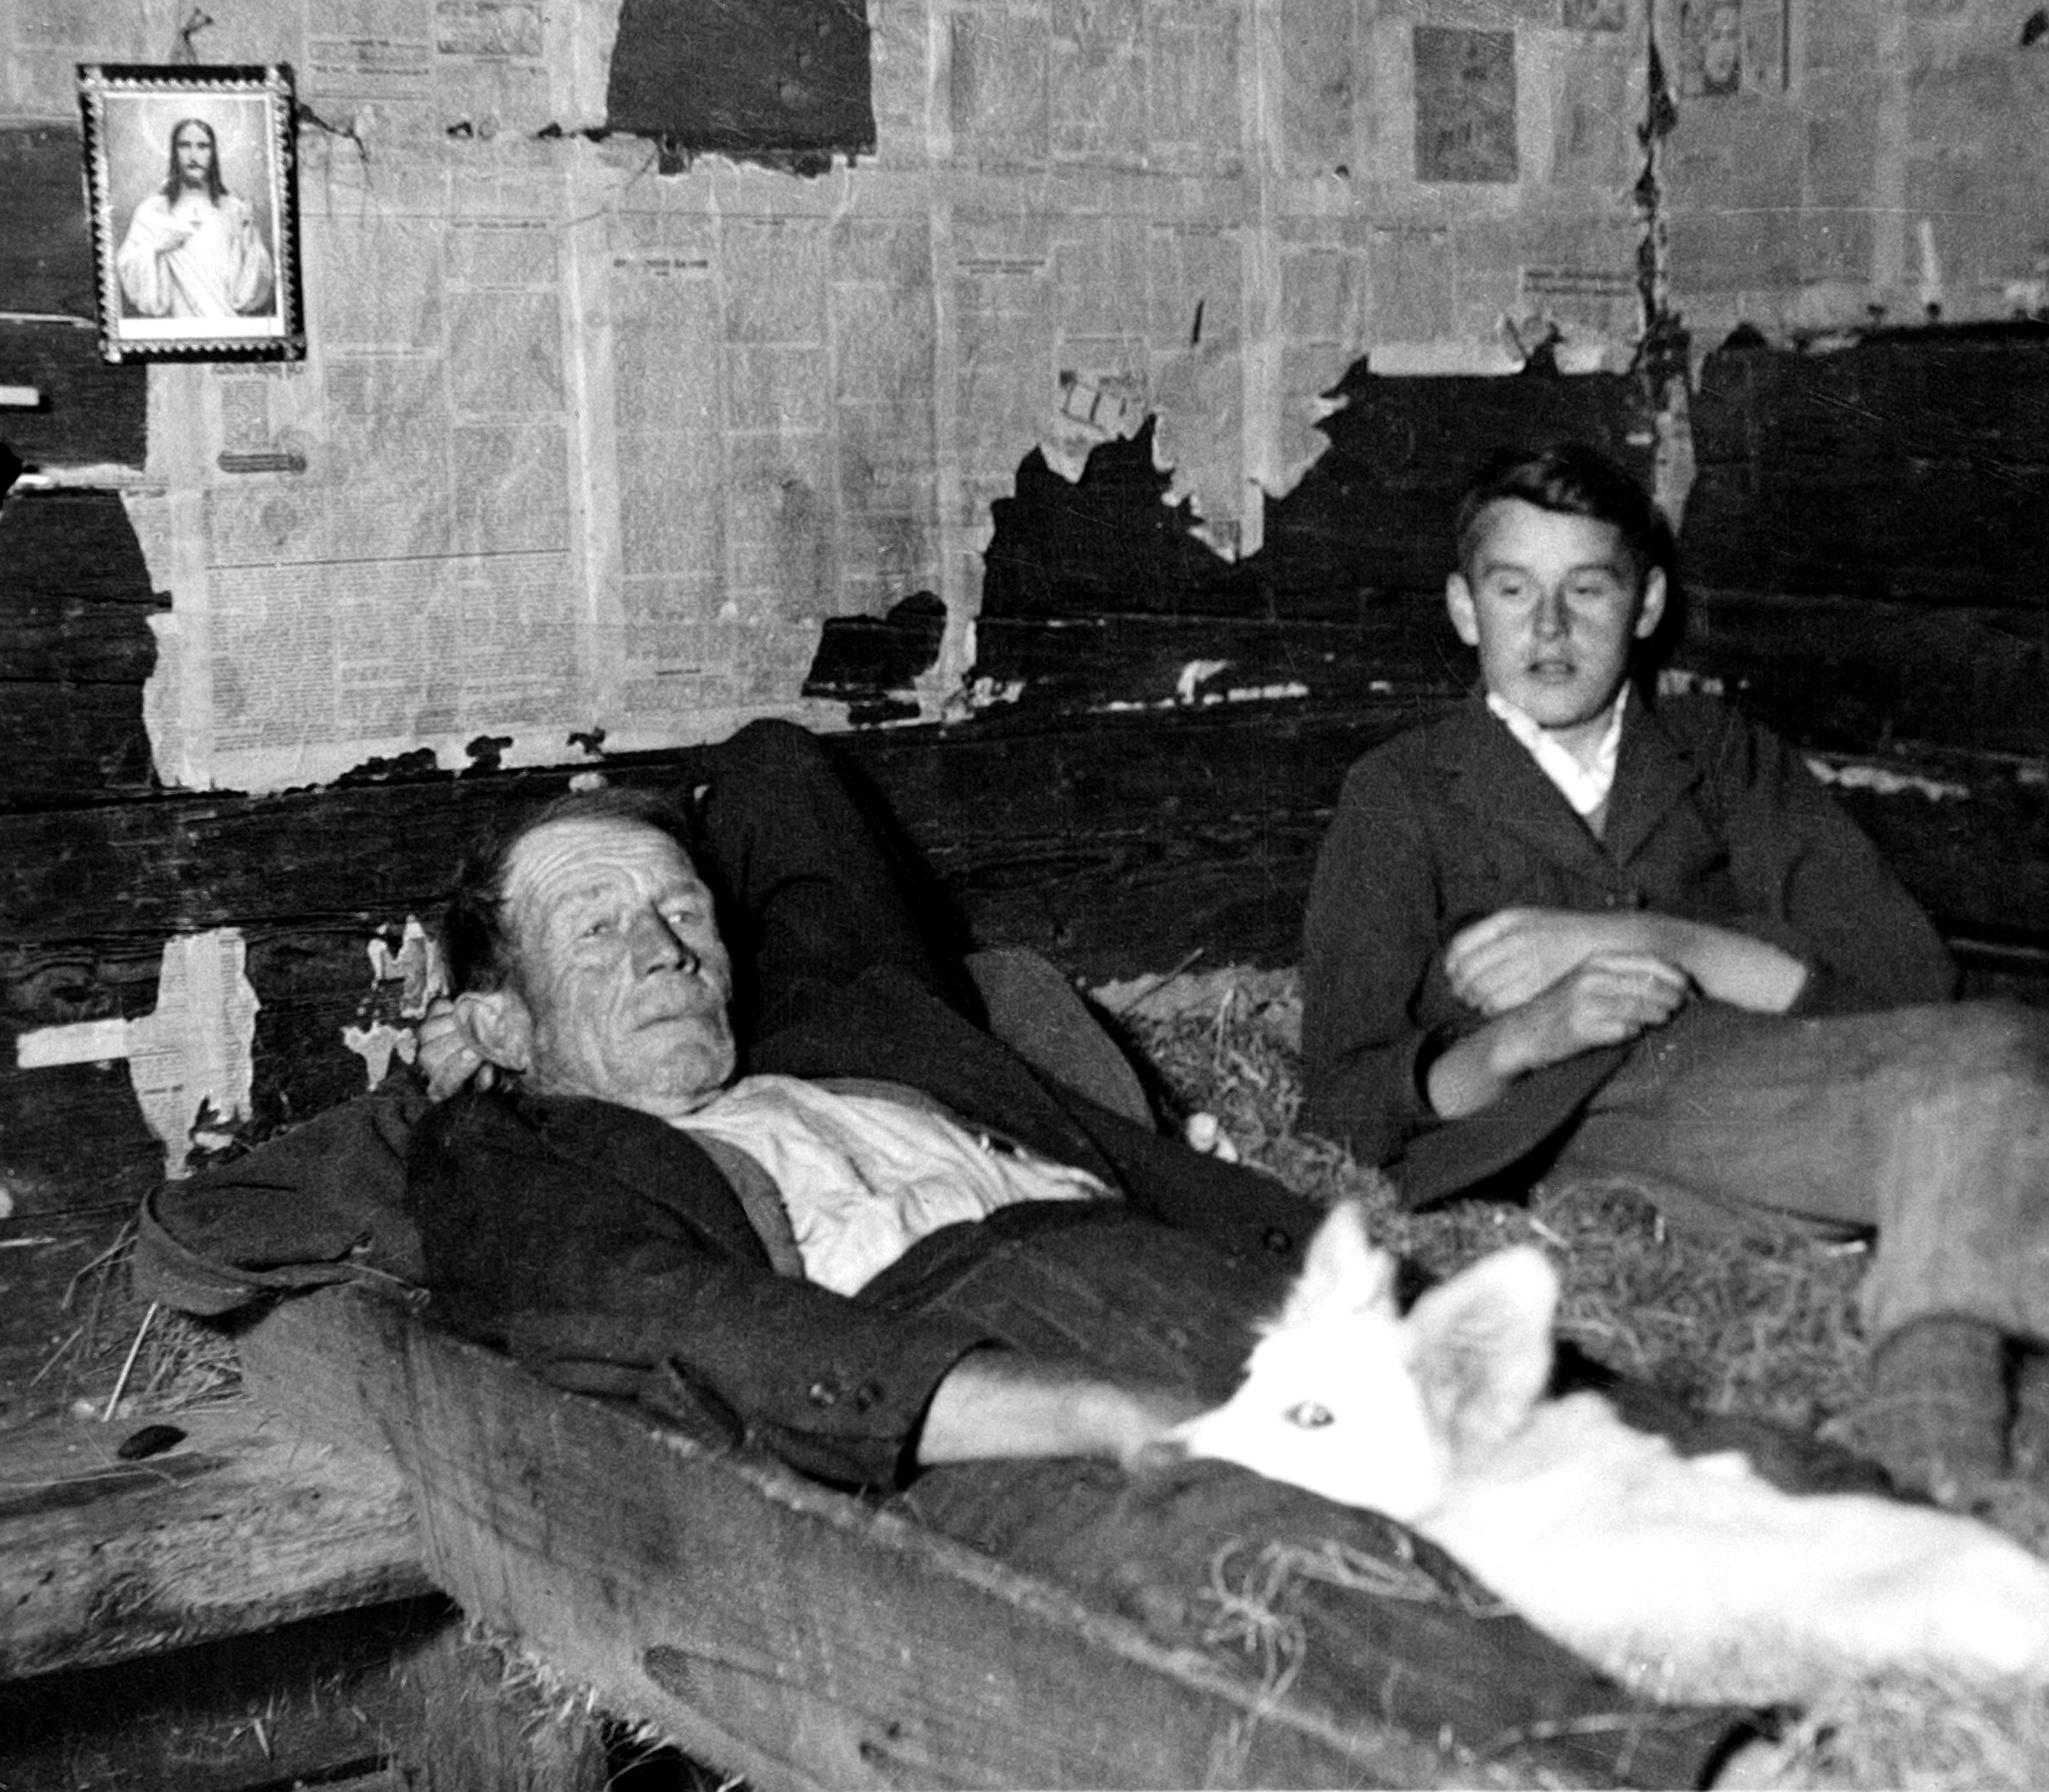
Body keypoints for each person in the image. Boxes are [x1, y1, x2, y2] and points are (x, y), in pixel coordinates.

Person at [383, 720, 1745, 1778]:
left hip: (1177, 1270)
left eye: (682, 911)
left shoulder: (847, 1024)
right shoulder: (524, 1148)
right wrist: (1088, 1406)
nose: (664, 952)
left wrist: (637, 875)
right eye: (598, 929)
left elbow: (777, 772)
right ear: (502, 1020)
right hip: (982, 1359)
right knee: (1265, 1554)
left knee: (1589, 1456)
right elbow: (673, 1313)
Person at [1299, 441, 2049, 1504]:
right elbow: (1343, 1105)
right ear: (1464, 607)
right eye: (1514, 590)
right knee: (2008, 1062)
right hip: (1568, 1121)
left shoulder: (1716, 751)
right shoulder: (1403, 793)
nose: (1550, 629)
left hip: (1754, 1088)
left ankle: (2029, 1415)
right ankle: (1941, 1447)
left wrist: (1664, 942)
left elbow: (1907, 982)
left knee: (2044, 1092)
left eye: (1588, 589)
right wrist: (1521, 1038)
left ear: (1645, 605)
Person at [114, 117, 276, 322]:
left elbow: (255, 281)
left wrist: (248, 239)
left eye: (202, 146)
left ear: (213, 153)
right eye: (184, 146)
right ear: (174, 153)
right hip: (175, 328)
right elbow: (127, 263)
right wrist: (157, 247)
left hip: (224, 323)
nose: (193, 156)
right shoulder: (152, 211)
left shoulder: (234, 210)